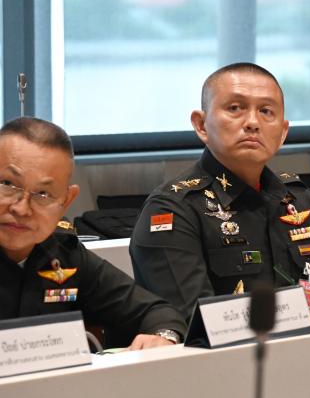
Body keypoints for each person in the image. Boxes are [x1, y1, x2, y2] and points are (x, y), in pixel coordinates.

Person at [130, 62, 310, 320]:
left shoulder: (299, 200)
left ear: (282, 133)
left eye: (266, 111)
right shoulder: (173, 209)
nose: (252, 123)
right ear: (201, 125)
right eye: (235, 108)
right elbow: (195, 322)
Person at [0, 117, 185, 348]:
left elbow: (154, 311)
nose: (21, 209)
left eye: (43, 194)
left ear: (66, 202)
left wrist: (164, 336)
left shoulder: (63, 253)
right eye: (7, 184)